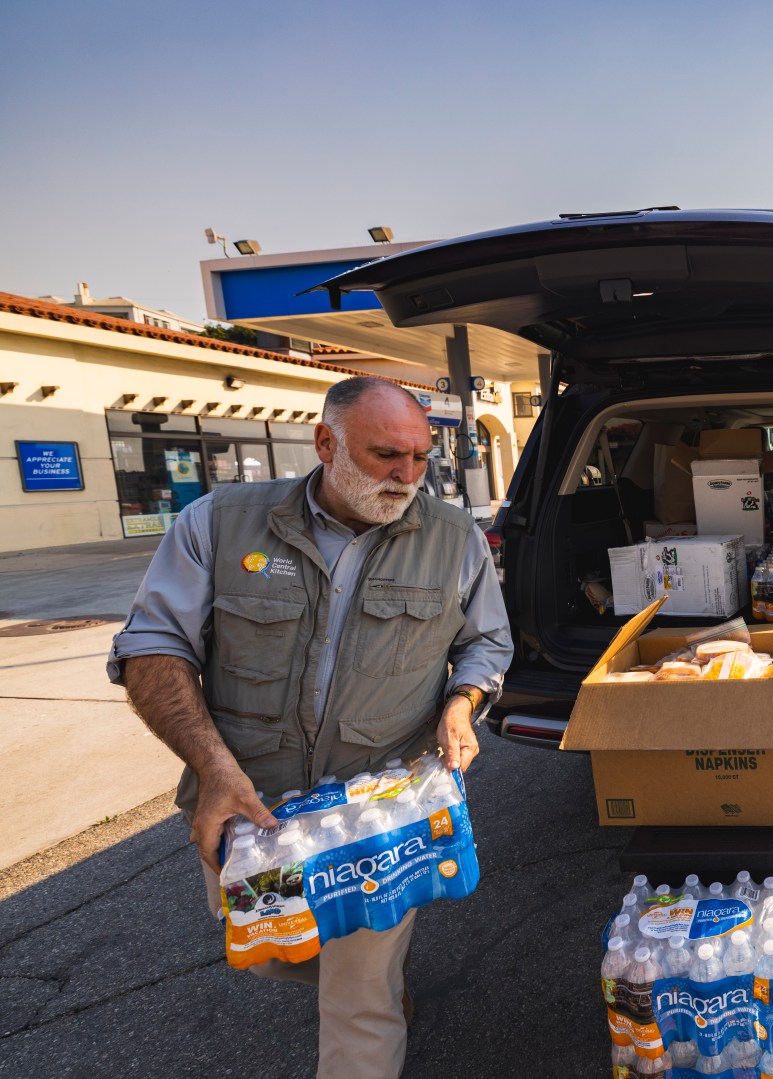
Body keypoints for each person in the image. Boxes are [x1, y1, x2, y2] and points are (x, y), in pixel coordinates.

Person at [108, 376, 513, 1078]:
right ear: (325, 443)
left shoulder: (453, 539)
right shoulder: (219, 523)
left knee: (356, 1001)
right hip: (252, 802)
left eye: (420, 456)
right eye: (387, 454)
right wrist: (214, 770)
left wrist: (460, 703)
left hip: (376, 813)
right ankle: (381, 984)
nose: (407, 476)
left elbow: (487, 643)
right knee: (269, 951)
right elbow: (151, 647)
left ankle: (376, 992)